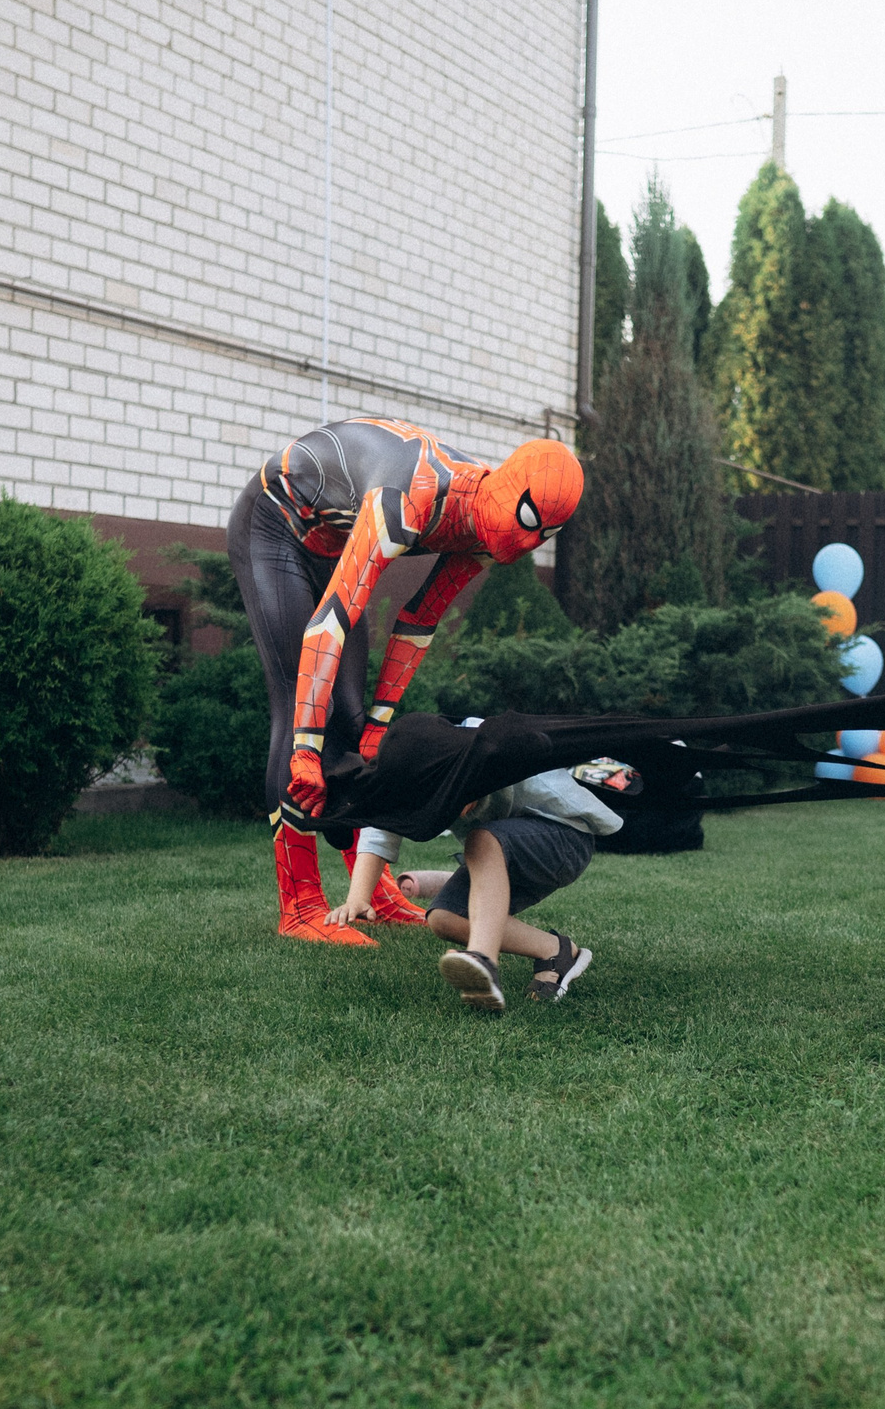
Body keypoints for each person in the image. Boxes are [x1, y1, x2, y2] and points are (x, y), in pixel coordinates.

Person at [230, 417, 583, 945]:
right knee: (302, 711)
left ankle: (366, 888)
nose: (530, 543)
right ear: (511, 491)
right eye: (530, 519)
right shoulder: (408, 495)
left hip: (335, 543)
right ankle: (299, 903)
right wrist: (306, 748)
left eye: (547, 534)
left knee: (351, 723)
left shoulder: (485, 526)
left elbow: (419, 622)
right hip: (276, 523)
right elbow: (330, 623)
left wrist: (378, 724)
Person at [333, 761, 621, 1013]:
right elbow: (382, 824)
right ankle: (555, 951)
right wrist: (358, 897)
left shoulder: (492, 749)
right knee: (445, 917)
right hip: (502, 851)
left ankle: (483, 958)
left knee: (481, 838)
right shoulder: (409, 771)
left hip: (567, 840)